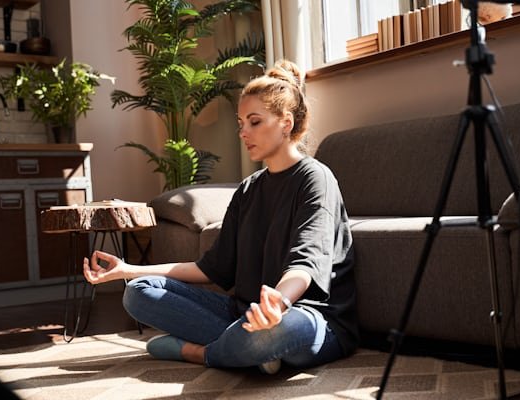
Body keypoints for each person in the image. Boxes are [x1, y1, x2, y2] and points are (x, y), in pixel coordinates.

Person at [83, 59, 359, 374]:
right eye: (241, 122)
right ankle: (252, 351)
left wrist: (278, 303)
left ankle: (200, 352)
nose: (244, 132)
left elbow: (305, 263)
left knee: (279, 331)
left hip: (310, 317)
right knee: (138, 292)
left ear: (285, 122)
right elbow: (211, 268)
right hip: (245, 315)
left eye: (254, 122)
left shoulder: (316, 179)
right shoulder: (249, 189)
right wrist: (128, 270)